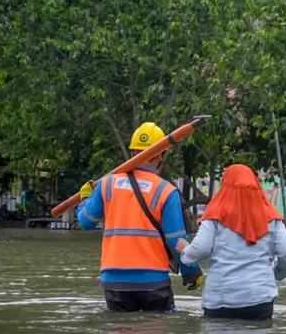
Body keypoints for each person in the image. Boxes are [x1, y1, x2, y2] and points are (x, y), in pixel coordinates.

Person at [76, 122, 203, 312]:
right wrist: (191, 272)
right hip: (154, 282)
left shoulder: (107, 184)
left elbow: (85, 221)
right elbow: (176, 241)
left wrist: (85, 198)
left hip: (114, 281)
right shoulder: (166, 191)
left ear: (133, 152)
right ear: (161, 155)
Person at [176, 164, 286, 321]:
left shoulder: (215, 214)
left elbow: (201, 249)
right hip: (260, 298)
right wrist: (277, 274)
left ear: (225, 186)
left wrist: (185, 252)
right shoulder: (272, 216)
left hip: (221, 299)